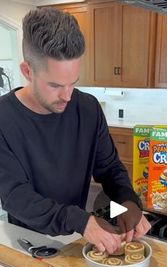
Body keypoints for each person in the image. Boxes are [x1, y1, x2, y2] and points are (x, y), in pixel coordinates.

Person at [0, 7, 150, 254]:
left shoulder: (88, 108)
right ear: (27, 71)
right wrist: (81, 220)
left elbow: (109, 168)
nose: (67, 96)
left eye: (73, 83)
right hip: (26, 240)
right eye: (55, 85)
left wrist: (127, 202)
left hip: (79, 236)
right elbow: (15, 197)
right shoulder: (5, 119)